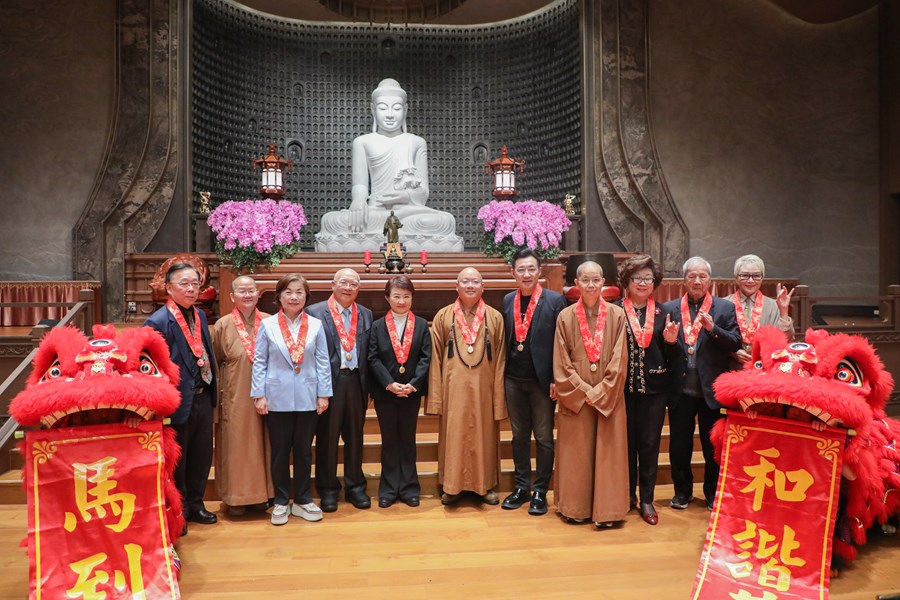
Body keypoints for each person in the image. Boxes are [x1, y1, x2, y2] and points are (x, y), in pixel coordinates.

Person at [316, 78, 463, 252]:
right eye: (383, 108)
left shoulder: (416, 142)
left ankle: (371, 241)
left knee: (442, 221)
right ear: (373, 109)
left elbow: (423, 193)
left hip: (407, 212)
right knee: (332, 221)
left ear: (405, 110)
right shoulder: (362, 142)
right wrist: (358, 200)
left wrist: (404, 197)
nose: (390, 114)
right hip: (375, 211)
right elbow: (360, 185)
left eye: (397, 108)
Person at [553, 260, 629, 528]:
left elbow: (620, 359)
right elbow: (561, 362)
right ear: (576, 284)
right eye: (585, 280)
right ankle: (575, 508)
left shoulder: (617, 315)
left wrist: (602, 390)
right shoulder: (565, 317)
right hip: (578, 398)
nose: (591, 285)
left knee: (609, 454)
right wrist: (585, 390)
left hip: (609, 397)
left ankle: (608, 511)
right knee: (577, 454)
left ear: (604, 282)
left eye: (596, 279)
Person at [251, 274, 332, 525]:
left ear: (306, 297)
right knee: (280, 452)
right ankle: (280, 500)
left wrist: (323, 394)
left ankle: (303, 499)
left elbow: (323, 361)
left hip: (309, 396)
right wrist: (259, 395)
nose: (294, 297)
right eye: (288, 292)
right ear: (279, 297)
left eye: (299, 292)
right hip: (276, 397)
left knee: (304, 451)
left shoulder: (316, 325)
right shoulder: (268, 325)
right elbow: (260, 361)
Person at [663, 257, 742, 512]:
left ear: (710, 280)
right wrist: (669, 342)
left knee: (712, 447)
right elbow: (664, 351)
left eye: (702, 276)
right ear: (684, 280)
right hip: (681, 389)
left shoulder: (724, 308)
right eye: (692, 276)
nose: (697, 281)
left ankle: (712, 494)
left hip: (712, 390)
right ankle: (682, 492)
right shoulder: (670, 308)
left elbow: (735, 342)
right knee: (679, 445)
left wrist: (712, 328)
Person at [145, 262, 218, 533]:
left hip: (202, 396)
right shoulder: (157, 321)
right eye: (184, 283)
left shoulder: (199, 315)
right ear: (169, 288)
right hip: (176, 402)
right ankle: (179, 511)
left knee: (201, 455)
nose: (191, 289)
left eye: (195, 284)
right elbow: (151, 368)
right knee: (179, 460)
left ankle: (196, 504)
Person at [426, 267, 507, 505]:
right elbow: (435, 360)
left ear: (483, 287)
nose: (470, 286)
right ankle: (452, 486)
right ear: (457, 286)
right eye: (465, 281)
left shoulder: (494, 317)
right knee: (454, 435)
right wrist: (436, 399)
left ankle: (485, 485)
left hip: (485, 390)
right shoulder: (443, 316)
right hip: (453, 391)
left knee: (484, 436)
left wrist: (498, 399)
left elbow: (501, 361)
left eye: (475, 282)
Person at [500, 248, 567, 516]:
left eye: (531, 269)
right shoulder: (508, 300)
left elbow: (561, 343)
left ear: (539, 272)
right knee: (518, 436)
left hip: (542, 381)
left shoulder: (555, 300)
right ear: (513, 273)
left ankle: (540, 490)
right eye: (521, 269)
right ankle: (521, 487)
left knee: (543, 437)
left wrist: (555, 378)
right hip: (513, 379)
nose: (526, 274)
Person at [616, 255, 681, 526]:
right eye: (637, 278)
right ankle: (626, 495)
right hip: (621, 391)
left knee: (649, 445)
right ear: (627, 281)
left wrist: (671, 343)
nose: (642, 283)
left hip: (654, 391)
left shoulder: (665, 313)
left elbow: (675, 357)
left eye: (648, 279)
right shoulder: (615, 311)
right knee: (625, 445)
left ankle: (646, 499)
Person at [306, 268, 374, 511]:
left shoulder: (365, 313)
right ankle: (328, 489)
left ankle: (356, 487)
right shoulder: (314, 312)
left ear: (359, 289)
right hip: (329, 384)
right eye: (343, 282)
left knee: (355, 436)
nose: (348, 287)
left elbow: (369, 352)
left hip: (356, 382)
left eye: (353, 284)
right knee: (327, 437)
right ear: (333, 285)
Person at [368, 276, 432, 508]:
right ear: (387, 298)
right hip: (385, 393)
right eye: (396, 296)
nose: (401, 301)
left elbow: (426, 357)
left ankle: (409, 488)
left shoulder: (422, 325)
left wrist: (414, 384)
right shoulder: (377, 326)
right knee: (389, 441)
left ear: (412, 297)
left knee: (407, 440)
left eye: (406, 296)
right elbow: (373, 358)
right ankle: (388, 489)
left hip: (411, 392)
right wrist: (389, 383)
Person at [211, 275, 273, 516]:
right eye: (242, 291)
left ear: (258, 294)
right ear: (232, 296)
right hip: (235, 394)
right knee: (236, 445)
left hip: (267, 394)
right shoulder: (223, 325)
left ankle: (263, 496)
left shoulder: (269, 321)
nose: (247, 295)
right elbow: (216, 362)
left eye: (251, 290)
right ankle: (235, 499)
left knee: (265, 442)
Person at [729, 254, 794, 367]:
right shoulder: (724, 304)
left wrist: (783, 312)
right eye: (745, 275)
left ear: (762, 278)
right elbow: (715, 339)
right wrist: (731, 351)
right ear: (736, 278)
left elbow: (786, 339)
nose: (750, 280)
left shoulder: (774, 305)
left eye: (756, 276)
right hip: (730, 367)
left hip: (764, 367)